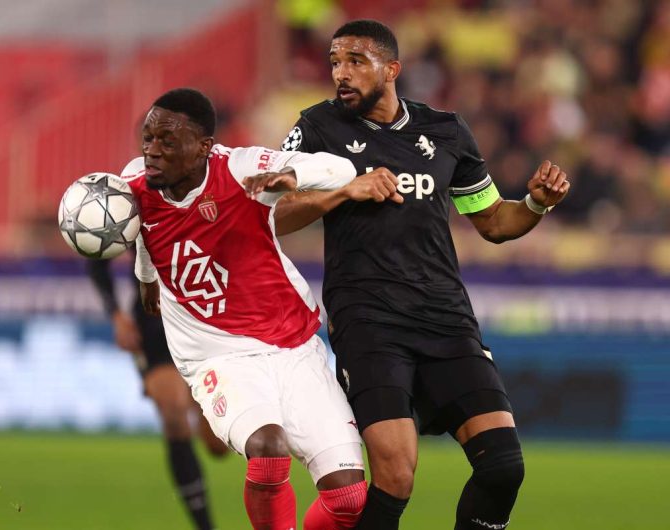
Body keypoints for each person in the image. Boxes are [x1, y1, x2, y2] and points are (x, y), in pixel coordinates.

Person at [276, 19, 570, 530]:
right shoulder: (317, 127)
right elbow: (274, 213)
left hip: (445, 318)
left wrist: (535, 204)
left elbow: (494, 222)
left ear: (392, 69)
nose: (341, 73)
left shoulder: (446, 131)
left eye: (355, 62)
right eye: (335, 62)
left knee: (503, 467)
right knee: (395, 476)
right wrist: (344, 191)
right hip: (369, 321)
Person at [123, 87, 369, 530]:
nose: (152, 151)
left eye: (167, 141)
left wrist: (291, 175)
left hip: (294, 345)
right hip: (217, 355)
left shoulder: (241, 168)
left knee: (349, 498)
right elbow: (142, 230)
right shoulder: (135, 185)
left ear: (204, 147)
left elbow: (343, 168)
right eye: (148, 138)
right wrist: (146, 278)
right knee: (268, 451)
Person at [87, 255, 228, 530]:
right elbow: (97, 260)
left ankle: (200, 403)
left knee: (218, 445)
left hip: (204, 312)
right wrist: (116, 315)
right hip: (154, 319)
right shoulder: (134, 222)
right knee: (173, 415)